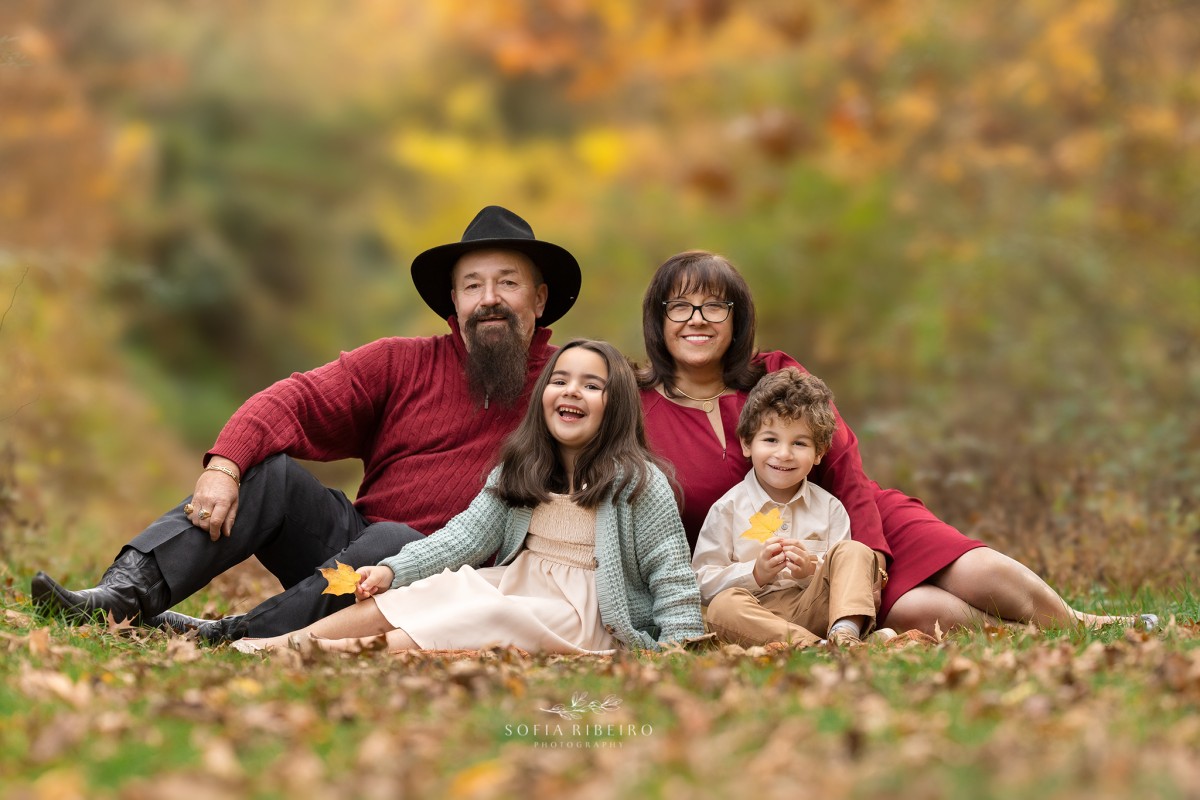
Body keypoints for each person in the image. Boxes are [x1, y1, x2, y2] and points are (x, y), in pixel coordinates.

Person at [31, 205, 584, 643]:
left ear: (539, 300)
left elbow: (650, 461)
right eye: (472, 286)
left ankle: (235, 635)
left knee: (393, 540)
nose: (489, 300)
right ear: (453, 304)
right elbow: (293, 400)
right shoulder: (401, 362)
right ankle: (123, 595)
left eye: (508, 283)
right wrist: (224, 467)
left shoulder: (572, 388)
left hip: (451, 579)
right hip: (347, 561)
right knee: (268, 474)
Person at [639, 250, 1156, 635]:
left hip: (853, 520)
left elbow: (841, 458)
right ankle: (1029, 637)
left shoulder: (774, 373)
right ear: (659, 319)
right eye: (680, 306)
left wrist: (869, 552)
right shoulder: (637, 406)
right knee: (915, 611)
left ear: (738, 318)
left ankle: (1084, 624)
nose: (698, 319)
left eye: (715, 306)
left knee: (973, 569)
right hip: (769, 571)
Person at [230, 339, 704, 654]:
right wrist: (394, 570)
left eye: (592, 385)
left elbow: (671, 570)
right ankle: (291, 642)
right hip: (519, 582)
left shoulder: (638, 483)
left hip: (587, 613)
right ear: (544, 395)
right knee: (443, 589)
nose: (571, 391)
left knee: (490, 612)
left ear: (615, 404)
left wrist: (681, 646)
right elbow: (463, 538)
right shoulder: (524, 467)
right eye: (560, 380)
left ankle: (330, 655)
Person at [695, 367, 891, 648]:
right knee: (722, 608)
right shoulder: (727, 509)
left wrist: (811, 569)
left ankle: (845, 633)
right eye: (771, 440)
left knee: (856, 551)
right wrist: (755, 573)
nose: (783, 454)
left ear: (820, 453)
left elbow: (847, 575)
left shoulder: (830, 508)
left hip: (816, 609)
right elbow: (702, 581)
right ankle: (818, 647)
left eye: (799, 443)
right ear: (747, 443)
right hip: (758, 618)